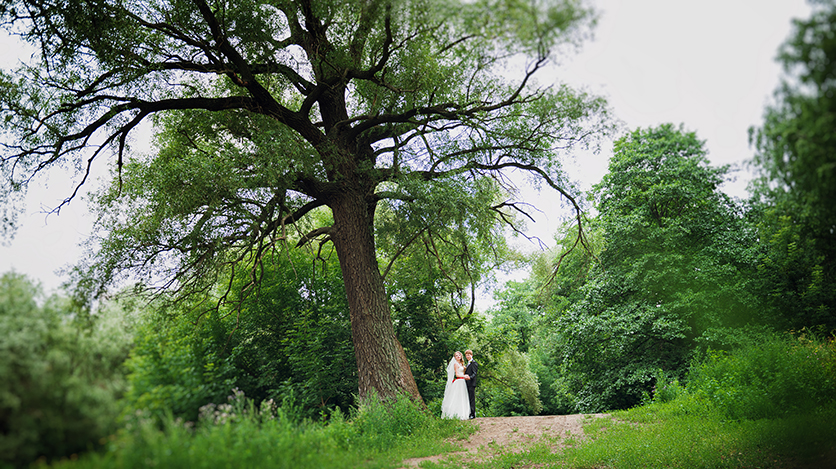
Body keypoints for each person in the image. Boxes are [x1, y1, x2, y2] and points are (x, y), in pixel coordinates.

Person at [440, 351, 470, 419]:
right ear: (455, 357)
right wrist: (464, 376)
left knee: (462, 397)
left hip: (463, 382)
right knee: (457, 397)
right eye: (456, 355)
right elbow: (457, 374)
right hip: (459, 381)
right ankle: (454, 413)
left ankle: (463, 413)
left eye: (459, 355)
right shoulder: (456, 364)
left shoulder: (462, 364)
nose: (458, 356)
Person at [464, 349, 478, 419]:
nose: (468, 356)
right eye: (466, 355)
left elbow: (474, 373)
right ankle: (469, 413)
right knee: (468, 398)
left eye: (469, 355)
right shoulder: (467, 364)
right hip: (466, 383)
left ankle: (473, 414)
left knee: (472, 399)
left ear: (471, 355)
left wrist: (469, 377)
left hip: (471, 383)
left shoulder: (474, 363)